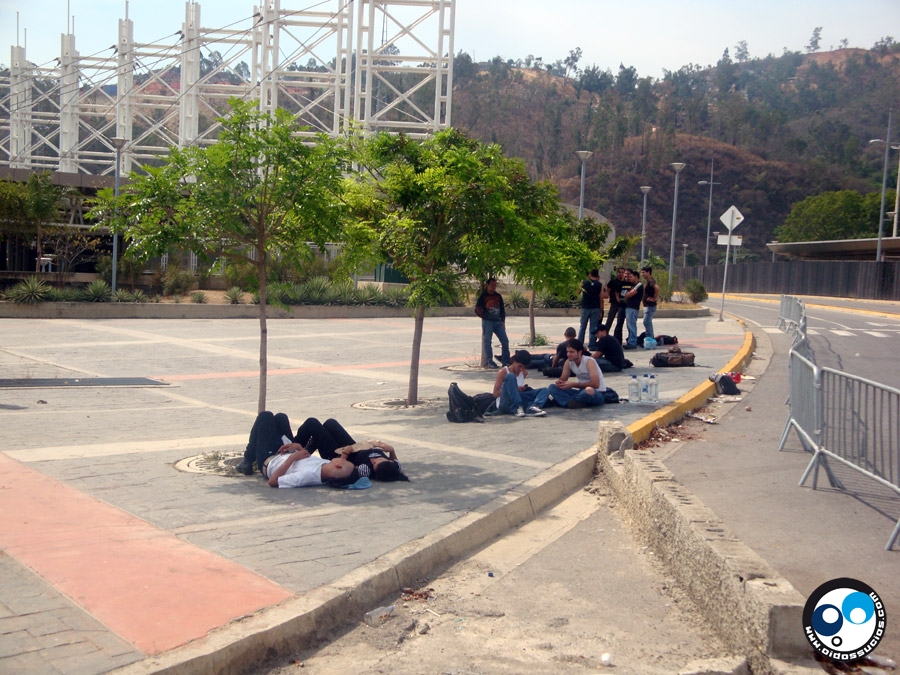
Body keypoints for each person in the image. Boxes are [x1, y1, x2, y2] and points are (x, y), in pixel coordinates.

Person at [235, 411, 357, 488]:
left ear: (339, 466)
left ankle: (248, 459)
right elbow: (305, 459)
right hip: (288, 451)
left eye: (343, 460)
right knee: (281, 417)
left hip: (271, 459)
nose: (342, 458)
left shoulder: (307, 476)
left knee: (265, 416)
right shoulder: (326, 466)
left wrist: (293, 457)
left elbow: (273, 481)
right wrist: (298, 448)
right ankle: (248, 459)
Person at [294, 417, 409, 482]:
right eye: (378, 460)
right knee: (330, 423)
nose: (374, 460)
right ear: (389, 461)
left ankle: (292, 448)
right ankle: (307, 450)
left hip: (337, 455)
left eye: (374, 464)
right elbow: (397, 463)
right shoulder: (394, 466)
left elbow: (344, 469)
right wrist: (391, 450)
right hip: (353, 446)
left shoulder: (366, 470)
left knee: (312, 423)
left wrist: (345, 454)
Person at [547, 339, 606, 409]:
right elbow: (563, 379)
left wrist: (573, 384)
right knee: (552, 387)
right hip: (580, 392)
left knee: (588, 390)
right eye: (567, 352)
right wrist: (560, 383)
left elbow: (596, 384)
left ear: (579, 352)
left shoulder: (589, 361)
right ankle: (572, 402)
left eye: (571, 352)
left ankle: (566, 402)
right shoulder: (568, 362)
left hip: (596, 393)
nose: (568, 354)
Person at [491, 349, 549, 417]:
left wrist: (521, 389)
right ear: (514, 361)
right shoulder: (503, 372)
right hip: (506, 401)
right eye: (519, 366)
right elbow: (495, 394)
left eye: (523, 367)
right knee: (511, 376)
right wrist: (513, 389)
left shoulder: (524, 373)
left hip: (519, 397)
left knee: (544, 390)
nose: (521, 369)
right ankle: (517, 407)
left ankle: (533, 407)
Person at [475, 278, 510, 368]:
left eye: (495, 285)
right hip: (488, 322)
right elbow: (477, 309)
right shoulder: (483, 296)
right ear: (487, 285)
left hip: (498, 322)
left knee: (505, 341)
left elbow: (502, 309)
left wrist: (503, 321)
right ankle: (489, 362)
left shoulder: (498, 296)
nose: (494, 287)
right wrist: (485, 317)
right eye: (492, 285)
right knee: (487, 342)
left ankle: (505, 360)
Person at [578, 269, 605, 351]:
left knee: (582, 326)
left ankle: (579, 344)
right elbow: (601, 298)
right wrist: (601, 310)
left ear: (589, 274)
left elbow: (577, 292)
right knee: (593, 327)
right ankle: (592, 345)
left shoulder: (583, 282)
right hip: (595, 308)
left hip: (585, 307)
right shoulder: (600, 285)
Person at [603, 268, 627, 344]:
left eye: (622, 272)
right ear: (617, 273)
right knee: (609, 320)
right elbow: (608, 290)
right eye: (619, 272)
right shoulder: (613, 282)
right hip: (614, 303)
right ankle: (604, 337)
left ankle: (617, 338)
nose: (621, 274)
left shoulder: (626, 282)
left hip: (622, 304)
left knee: (620, 322)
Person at [623, 269, 644, 350]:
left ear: (636, 277)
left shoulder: (638, 285)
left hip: (633, 307)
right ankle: (630, 340)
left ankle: (632, 342)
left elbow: (630, 294)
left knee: (631, 325)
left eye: (631, 277)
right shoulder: (632, 285)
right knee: (629, 325)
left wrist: (627, 294)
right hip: (629, 307)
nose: (630, 278)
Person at [641, 266, 659, 340]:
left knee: (647, 322)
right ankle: (650, 337)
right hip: (647, 305)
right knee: (647, 322)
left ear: (648, 272)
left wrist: (654, 298)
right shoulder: (648, 281)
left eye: (643, 272)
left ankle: (650, 338)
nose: (642, 274)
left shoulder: (650, 280)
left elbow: (657, 288)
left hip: (650, 306)